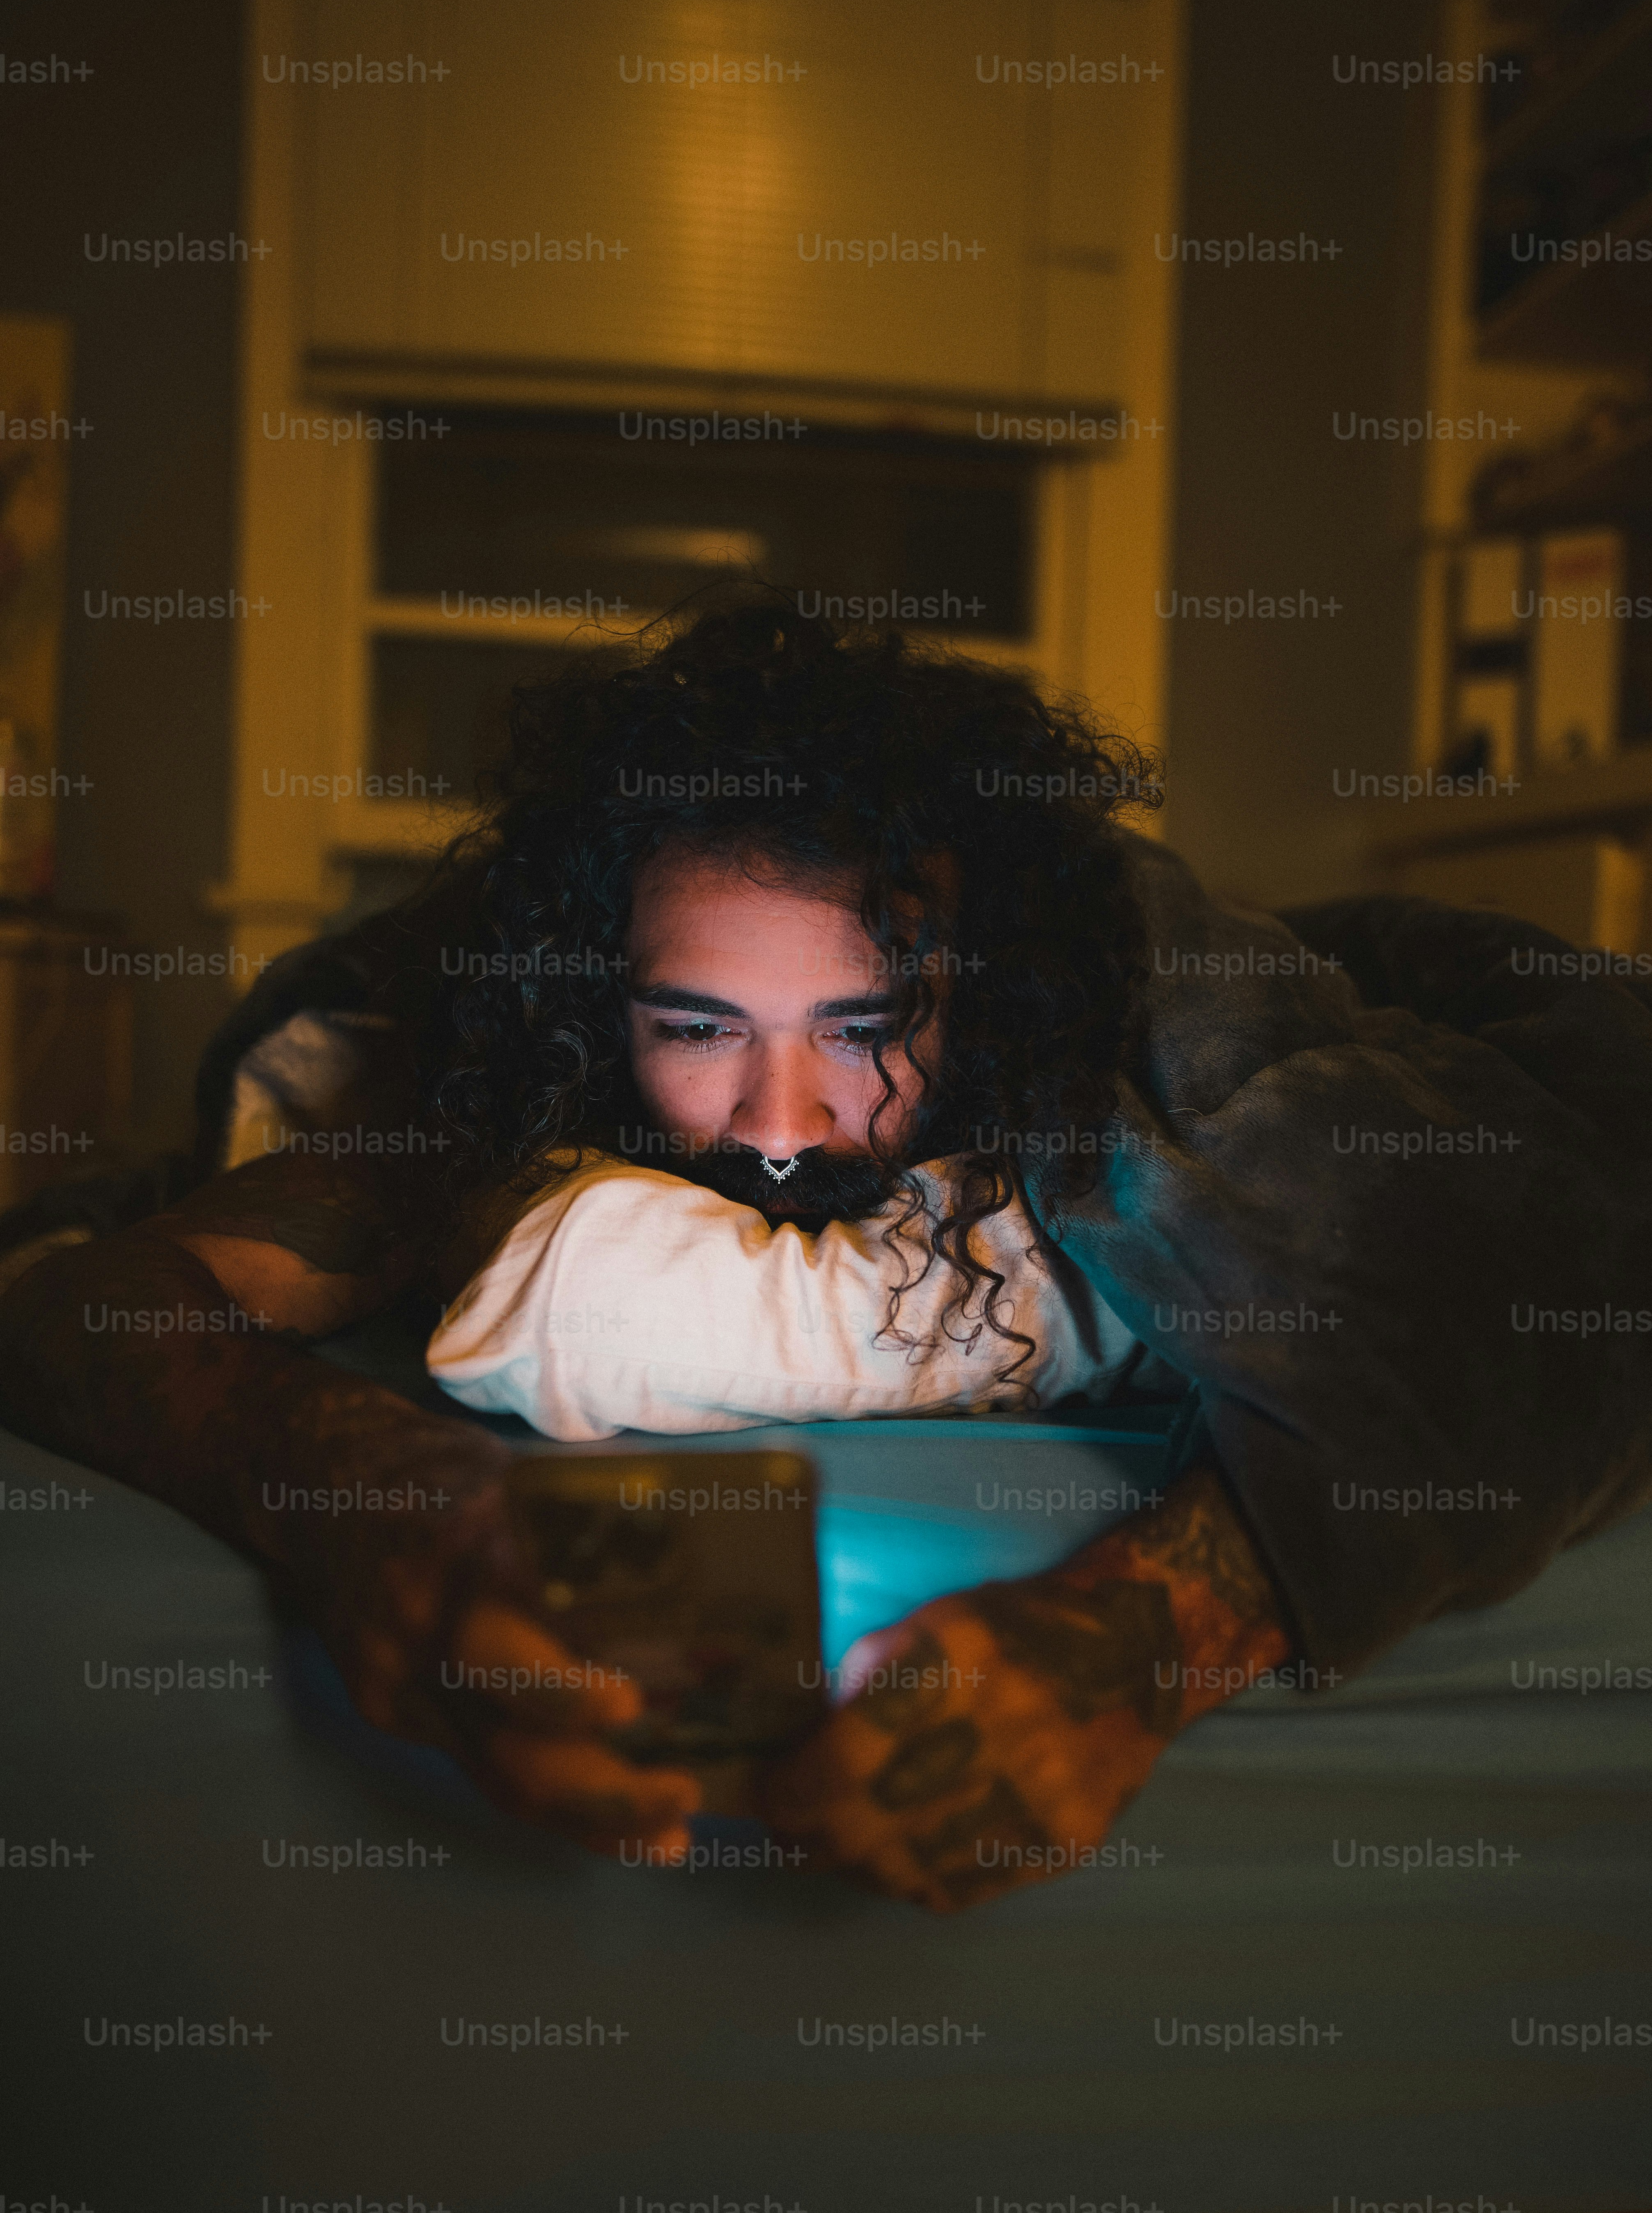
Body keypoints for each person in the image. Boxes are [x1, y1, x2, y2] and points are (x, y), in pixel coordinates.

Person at [1, 602, 1647, 1914]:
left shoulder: (1090, 1028)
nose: (780, 1122)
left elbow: (1524, 1296)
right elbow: (87, 1305)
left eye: (865, 1028)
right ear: (603, 1006)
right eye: (695, 1028)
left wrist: (1136, 1641)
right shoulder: (507, 1081)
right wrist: (377, 1503)